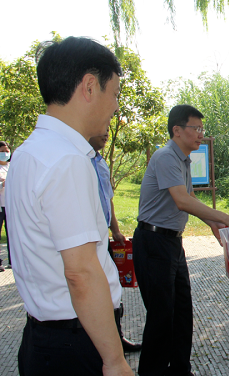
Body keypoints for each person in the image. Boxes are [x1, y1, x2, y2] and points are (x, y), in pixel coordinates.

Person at [6, 37, 132, 375]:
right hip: (76, 344)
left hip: (42, 337)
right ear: (90, 86)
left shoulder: (28, 152)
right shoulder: (67, 160)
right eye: (115, 94)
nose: (116, 107)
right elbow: (80, 272)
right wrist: (115, 360)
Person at [133, 104, 229, 376]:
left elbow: (190, 197)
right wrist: (227, 217)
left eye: (201, 129)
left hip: (172, 244)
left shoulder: (182, 159)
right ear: (177, 130)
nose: (200, 134)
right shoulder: (165, 157)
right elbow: (181, 200)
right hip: (153, 243)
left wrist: (212, 222)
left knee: (182, 310)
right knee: (161, 316)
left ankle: (180, 369)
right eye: (195, 128)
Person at [89, 131, 142, 352]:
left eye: (109, 132)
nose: (106, 135)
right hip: (87, 240)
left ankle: (117, 339)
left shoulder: (101, 164)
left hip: (104, 237)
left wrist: (116, 230)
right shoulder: (78, 161)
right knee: (94, 290)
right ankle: (98, 343)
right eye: (102, 130)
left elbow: (108, 199)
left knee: (113, 288)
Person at [0, 141, 10, 271]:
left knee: (12, 233)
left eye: (7, 151)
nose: (5, 154)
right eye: (2, 151)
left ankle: (13, 261)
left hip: (10, 205)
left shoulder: (12, 166)